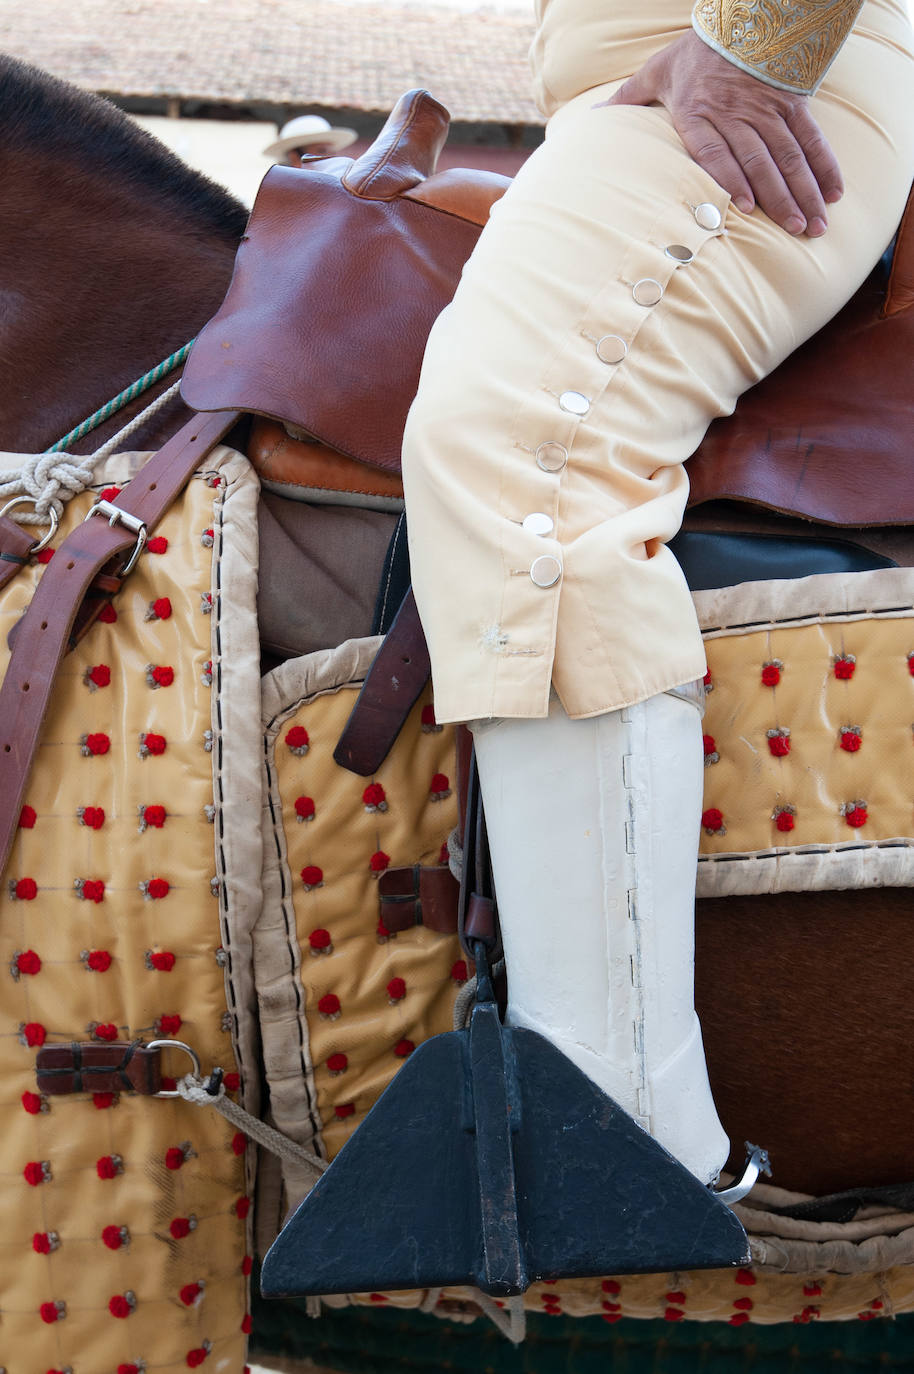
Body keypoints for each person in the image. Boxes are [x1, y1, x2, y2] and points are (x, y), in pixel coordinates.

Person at [401, 0, 914, 1186]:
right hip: (648, 91)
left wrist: (754, 47)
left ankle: (617, 1125)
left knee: (526, 448)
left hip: (765, 92)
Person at [263, 113, 357, 166]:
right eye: (322, 151)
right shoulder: (281, 193)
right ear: (294, 157)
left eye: (332, 153)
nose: (330, 158)